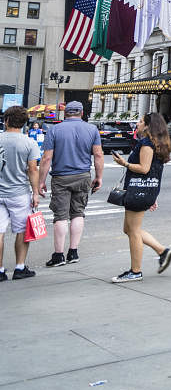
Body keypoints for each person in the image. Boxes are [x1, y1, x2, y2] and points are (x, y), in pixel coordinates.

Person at [109, 113, 171, 283]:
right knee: (129, 229)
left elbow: (144, 168)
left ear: (147, 126)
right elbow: (152, 171)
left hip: (139, 191)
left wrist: (124, 163)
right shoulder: (156, 143)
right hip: (145, 190)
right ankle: (162, 251)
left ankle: (135, 271)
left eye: (140, 121)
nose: (137, 124)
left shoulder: (146, 144)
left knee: (134, 231)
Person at [37, 101, 103, 267]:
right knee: (78, 213)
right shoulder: (92, 129)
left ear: (65, 114)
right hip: (83, 176)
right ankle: (73, 252)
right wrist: (98, 177)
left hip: (61, 178)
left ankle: (58, 255)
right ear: (81, 113)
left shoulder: (54, 130)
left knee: (60, 216)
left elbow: (46, 158)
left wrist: (41, 181)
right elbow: (98, 155)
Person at [0, 105, 40, 281]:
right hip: (19, 193)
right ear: (24, 123)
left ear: (6, 120)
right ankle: (20, 267)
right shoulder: (29, 142)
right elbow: (32, 169)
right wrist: (36, 192)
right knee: (22, 231)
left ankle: (0, 270)